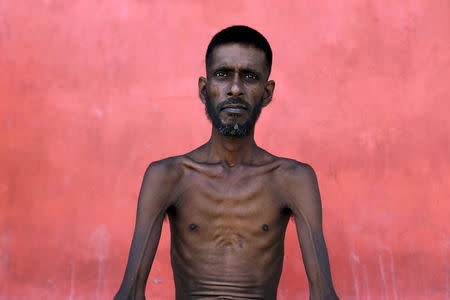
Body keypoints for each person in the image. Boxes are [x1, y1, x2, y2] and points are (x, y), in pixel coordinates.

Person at [114, 25, 339, 300]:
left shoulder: (292, 179)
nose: (235, 89)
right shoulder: (168, 176)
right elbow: (130, 293)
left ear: (267, 93)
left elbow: (324, 294)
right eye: (222, 75)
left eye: (249, 77)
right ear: (204, 89)